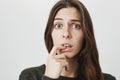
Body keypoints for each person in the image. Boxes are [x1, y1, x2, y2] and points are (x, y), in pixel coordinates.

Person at [19, 0, 116, 80]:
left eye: (76, 26)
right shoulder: (30, 76)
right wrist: (49, 77)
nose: (66, 34)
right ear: (50, 33)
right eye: (58, 26)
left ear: (86, 34)